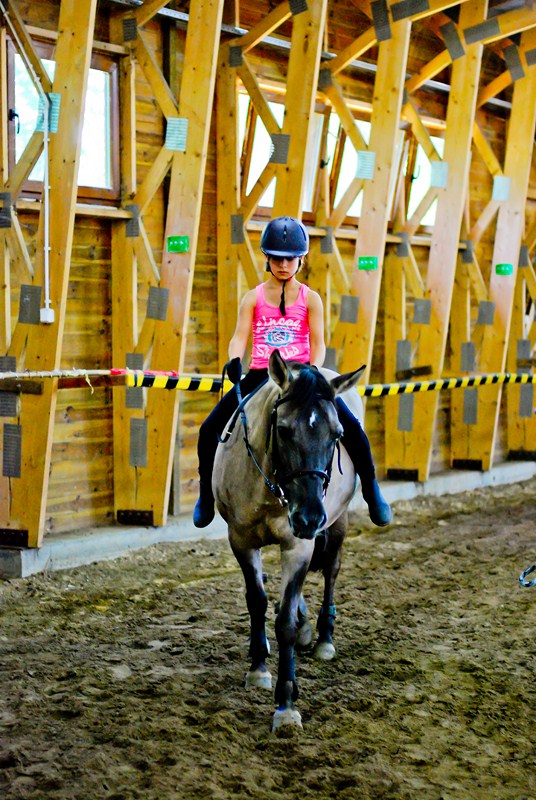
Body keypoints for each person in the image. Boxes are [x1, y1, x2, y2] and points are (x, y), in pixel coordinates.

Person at [193, 216, 392, 529]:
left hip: (302, 376)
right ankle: (206, 495)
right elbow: (239, 336)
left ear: (301, 260)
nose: (283, 265)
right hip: (262, 373)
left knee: (352, 428)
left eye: (289, 259)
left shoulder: (311, 299)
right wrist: (234, 359)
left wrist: (313, 371)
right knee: (208, 429)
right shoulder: (253, 297)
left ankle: (371, 490)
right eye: (276, 259)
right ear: (267, 258)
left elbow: (319, 342)